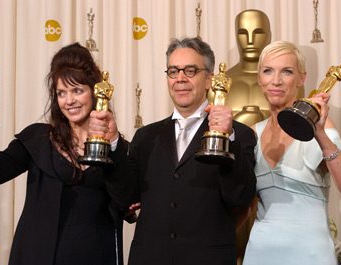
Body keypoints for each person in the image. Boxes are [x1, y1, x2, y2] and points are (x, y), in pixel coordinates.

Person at [89, 37, 257, 265]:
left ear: (209, 79)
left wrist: (228, 137)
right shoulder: (146, 136)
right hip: (150, 258)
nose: (180, 79)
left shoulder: (240, 134)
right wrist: (114, 143)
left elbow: (241, 196)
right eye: (173, 71)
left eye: (190, 70)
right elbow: (126, 196)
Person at [0, 43, 132, 265]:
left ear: (95, 91)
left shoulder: (117, 147)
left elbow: (127, 199)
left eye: (77, 90)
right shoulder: (38, 139)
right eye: (61, 93)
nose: (69, 101)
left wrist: (113, 142)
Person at [242, 41, 341, 265]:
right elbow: (246, 205)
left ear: (301, 79)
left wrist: (320, 135)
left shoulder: (321, 127)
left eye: (286, 71)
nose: (276, 80)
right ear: (259, 78)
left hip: (311, 255)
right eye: (268, 71)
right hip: (260, 253)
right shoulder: (252, 134)